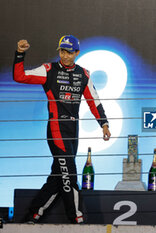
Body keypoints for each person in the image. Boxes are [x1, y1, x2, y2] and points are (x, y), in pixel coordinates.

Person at [13, 35, 111, 224]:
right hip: (56, 129)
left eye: (69, 52)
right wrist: (19, 54)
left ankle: (32, 217)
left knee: (58, 177)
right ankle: (77, 219)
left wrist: (104, 124)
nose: (65, 56)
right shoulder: (48, 70)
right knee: (69, 174)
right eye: (62, 51)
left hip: (73, 131)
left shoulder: (83, 74)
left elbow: (94, 101)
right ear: (59, 51)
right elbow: (20, 76)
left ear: (77, 53)